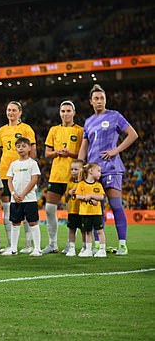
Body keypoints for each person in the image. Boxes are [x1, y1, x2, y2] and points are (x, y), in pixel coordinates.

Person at [78, 84, 138, 255]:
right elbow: (84, 145)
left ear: (105, 100)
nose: (99, 101)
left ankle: (122, 245)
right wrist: (80, 165)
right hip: (92, 170)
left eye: (102, 98)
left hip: (111, 167)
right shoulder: (88, 121)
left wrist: (116, 150)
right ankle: (99, 245)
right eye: (96, 98)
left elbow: (133, 134)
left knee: (116, 204)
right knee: (97, 207)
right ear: (91, 101)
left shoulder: (115, 116)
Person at [42, 100, 83, 254]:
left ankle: (70, 244)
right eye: (63, 111)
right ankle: (52, 244)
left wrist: (70, 154)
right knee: (49, 209)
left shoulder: (80, 131)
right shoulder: (54, 130)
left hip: (74, 176)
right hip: (56, 175)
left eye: (68, 111)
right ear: (59, 113)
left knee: (72, 211)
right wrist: (57, 153)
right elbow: (47, 154)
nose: (65, 114)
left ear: (74, 113)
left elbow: (83, 154)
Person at [0, 101, 36, 252]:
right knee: (8, 210)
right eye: (8, 110)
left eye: (14, 110)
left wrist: (30, 168)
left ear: (20, 112)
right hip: (5, 173)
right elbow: (3, 152)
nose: (10, 113)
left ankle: (28, 244)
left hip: (23, 173)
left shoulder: (26, 129)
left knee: (25, 208)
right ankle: (10, 244)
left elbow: (33, 150)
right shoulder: (1, 130)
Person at [2, 137, 42, 257]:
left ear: (29, 148)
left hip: (29, 199)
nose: (21, 148)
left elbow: (34, 179)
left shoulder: (32, 163)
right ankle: (13, 248)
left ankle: (37, 248)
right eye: (18, 146)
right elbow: (9, 180)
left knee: (33, 222)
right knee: (15, 223)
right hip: (16, 199)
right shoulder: (13, 164)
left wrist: (23, 194)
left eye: (24, 146)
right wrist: (13, 194)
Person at [75, 162, 107, 258]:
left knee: (99, 231)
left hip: (96, 213)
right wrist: (85, 198)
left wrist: (92, 196)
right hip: (85, 212)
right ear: (91, 171)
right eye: (98, 171)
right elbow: (77, 196)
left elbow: (101, 197)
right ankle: (88, 250)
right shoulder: (81, 184)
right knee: (87, 231)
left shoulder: (98, 185)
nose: (100, 173)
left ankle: (102, 250)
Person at [64, 159, 85, 257]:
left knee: (84, 230)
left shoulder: (84, 184)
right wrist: (68, 193)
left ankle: (85, 247)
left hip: (83, 211)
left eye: (76, 169)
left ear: (82, 170)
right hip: (72, 211)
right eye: (71, 169)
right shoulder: (70, 183)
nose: (73, 171)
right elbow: (65, 199)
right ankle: (71, 248)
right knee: (71, 230)